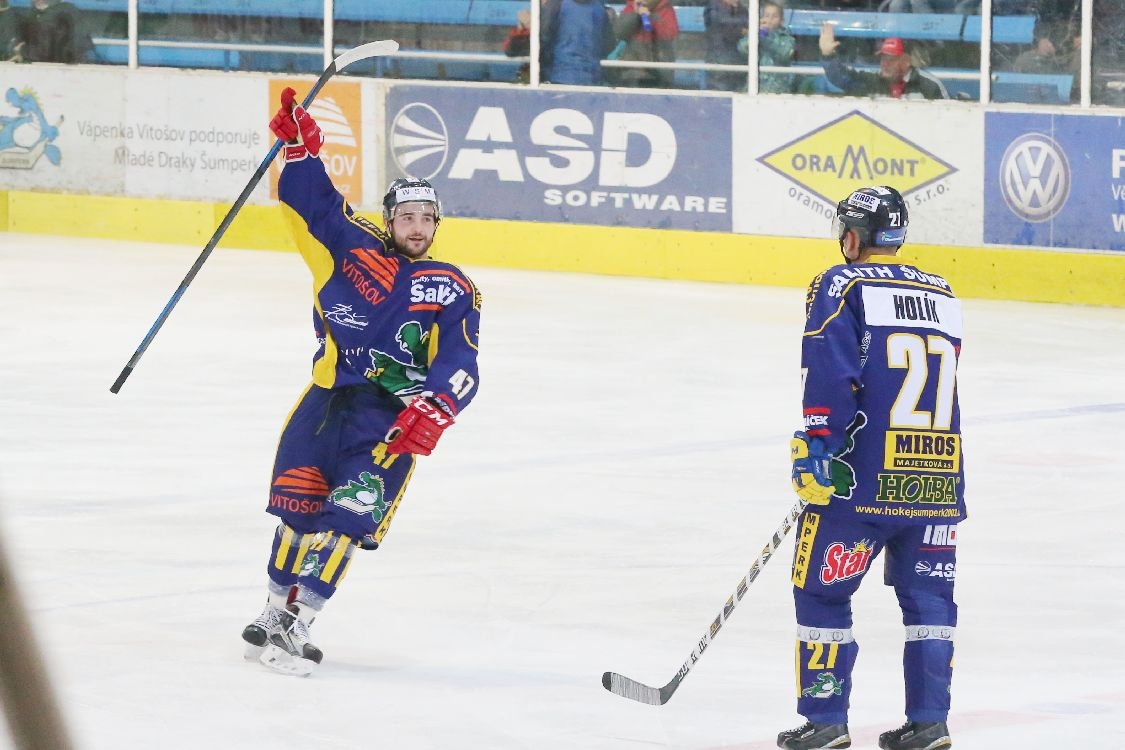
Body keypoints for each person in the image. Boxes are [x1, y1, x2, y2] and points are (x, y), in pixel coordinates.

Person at [240, 87, 483, 677]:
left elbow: (464, 361)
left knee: (348, 520)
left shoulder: (451, 286)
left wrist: (438, 405)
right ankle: (274, 611)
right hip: (325, 403)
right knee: (296, 510)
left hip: (389, 421)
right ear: (389, 217)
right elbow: (317, 208)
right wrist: (300, 152)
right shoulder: (350, 249)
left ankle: (302, 623)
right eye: (407, 216)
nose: (418, 227)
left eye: (428, 218)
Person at [777, 186, 965, 750]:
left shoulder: (841, 283)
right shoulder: (943, 292)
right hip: (935, 476)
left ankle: (827, 720)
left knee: (821, 594)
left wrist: (817, 444)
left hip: (859, 480)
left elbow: (831, 372)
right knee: (930, 602)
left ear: (852, 236)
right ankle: (930, 722)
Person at [819, 26, 948, 99]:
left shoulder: (930, 85)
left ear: (906, 61)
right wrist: (827, 55)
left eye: (891, 59)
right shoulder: (871, 80)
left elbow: (949, 118)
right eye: (883, 58)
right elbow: (840, 78)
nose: (885, 63)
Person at [541, 0, 616, 85]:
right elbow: (609, 44)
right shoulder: (600, 8)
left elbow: (542, 38)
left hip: (559, 75)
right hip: (592, 77)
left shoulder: (556, 4)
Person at [612, 0, 680, 88]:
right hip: (633, 71)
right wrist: (635, 15)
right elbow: (620, 33)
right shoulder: (631, 7)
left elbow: (668, 35)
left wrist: (650, 17)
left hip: (660, 72)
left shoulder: (666, 9)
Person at [742, 0, 797, 93]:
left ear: (782, 21)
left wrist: (767, 36)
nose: (770, 19)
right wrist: (754, 34)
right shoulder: (755, 34)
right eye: (767, 16)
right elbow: (742, 48)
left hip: (778, 91)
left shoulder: (787, 38)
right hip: (754, 88)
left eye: (774, 16)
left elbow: (785, 53)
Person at [16, 0, 90, 63]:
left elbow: (44, 52)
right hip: (73, 66)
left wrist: (21, 51)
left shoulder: (53, 15)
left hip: (58, 68)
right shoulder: (70, 10)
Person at [704, 0, 750, 91]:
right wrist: (743, 31)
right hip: (720, 65)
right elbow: (723, 27)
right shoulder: (713, 8)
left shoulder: (742, 9)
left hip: (740, 65)